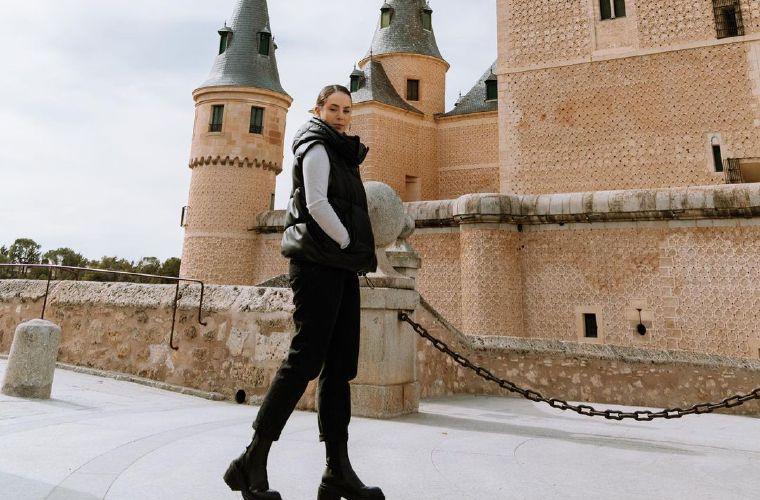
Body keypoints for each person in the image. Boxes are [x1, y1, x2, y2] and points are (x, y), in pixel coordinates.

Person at [223, 85, 383, 500]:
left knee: (341, 367)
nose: (341, 115)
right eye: (333, 108)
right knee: (304, 361)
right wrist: (347, 241)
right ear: (318, 110)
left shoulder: (344, 152)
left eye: (346, 110)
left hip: (340, 266)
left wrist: (348, 252)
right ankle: (252, 459)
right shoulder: (316, 145)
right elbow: (316, 203)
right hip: (316, 264)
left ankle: (337, 470)